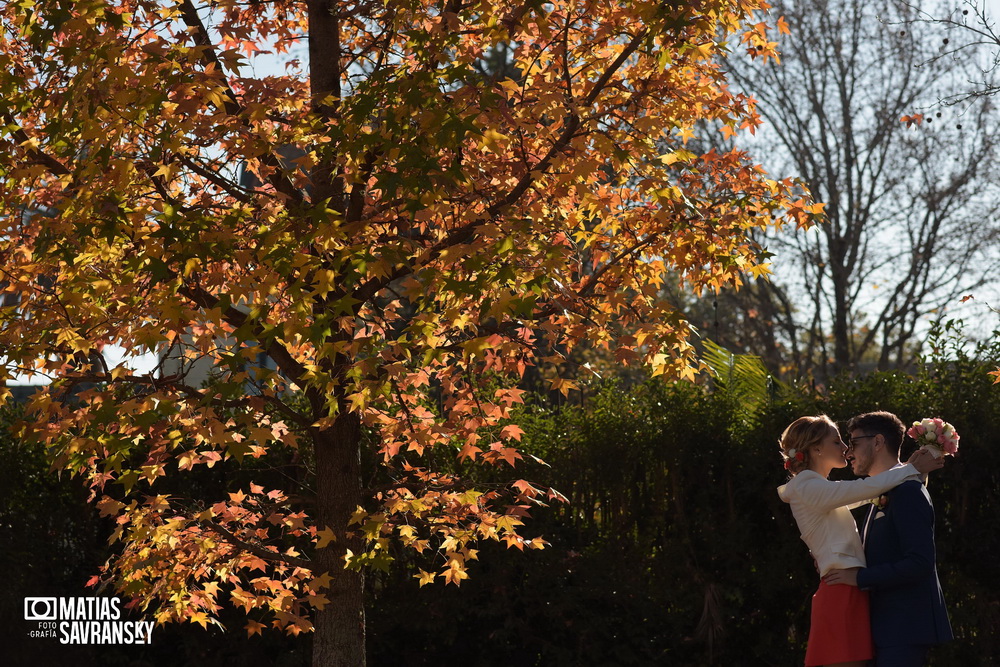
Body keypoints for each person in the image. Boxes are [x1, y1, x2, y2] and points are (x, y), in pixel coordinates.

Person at [776, 415, 944, 667]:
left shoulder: (822, 489)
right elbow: (863, 490)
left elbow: (864, 492)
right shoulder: (806, 486)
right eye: (838, 441)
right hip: (841, 591)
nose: (845, 448)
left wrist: (907, 470)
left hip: (855, 593)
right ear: (816, 448)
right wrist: (911, 468)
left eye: (848, 441)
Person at [823, 411, 953, 666]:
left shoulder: (908, 492)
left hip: (904, 627)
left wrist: (859, 578)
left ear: (878, 442)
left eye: (854, 443)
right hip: (881, 627)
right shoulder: (882, 492)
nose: (848, 452)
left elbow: (920, 562)